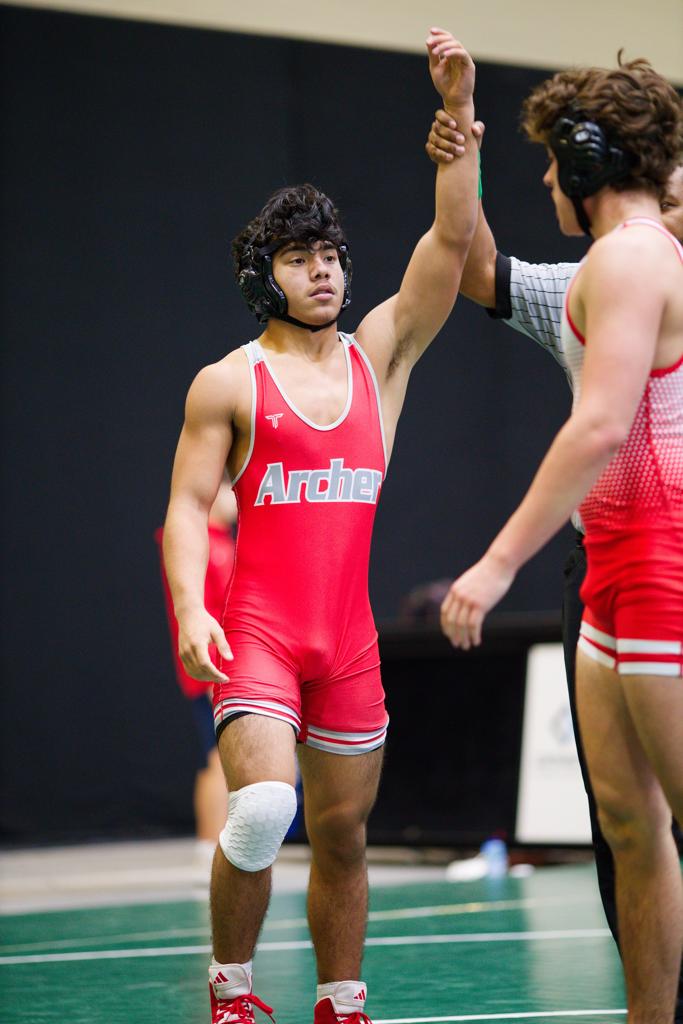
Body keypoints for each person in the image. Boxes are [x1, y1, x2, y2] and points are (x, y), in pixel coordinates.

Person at [162, 28, 479, 1024]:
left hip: (346, 644)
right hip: (256, 634)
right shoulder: (228, 382)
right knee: (263, 811)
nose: (325, 272)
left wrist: (458, 121)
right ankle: (231, 987)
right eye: (300, 259)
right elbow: (185, 507)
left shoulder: (376, 359)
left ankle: (341, 998)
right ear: (265, 277)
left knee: (342, 834)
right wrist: (190, 609)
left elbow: (448, 247)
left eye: (332, 256)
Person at [435, 57, 683, 1021]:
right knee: (627, 825)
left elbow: (599, 425)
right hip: (615, 568)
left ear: (587, 163)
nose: (544, 180)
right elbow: (472, 266)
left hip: (661, 560)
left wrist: (496, 564)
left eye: (551, 161)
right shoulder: (604, 265)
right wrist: (458, 135)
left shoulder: (631, 258)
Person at [155, 477, 236, 866]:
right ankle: (208, 846)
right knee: (218, 758)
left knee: (225, 758)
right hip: (211, 670)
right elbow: (203, 612)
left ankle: (221, 845)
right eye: (231, 488)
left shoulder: (226, 543)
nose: (238, 498)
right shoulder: (200, 546)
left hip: (227, 667)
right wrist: (209, 670)